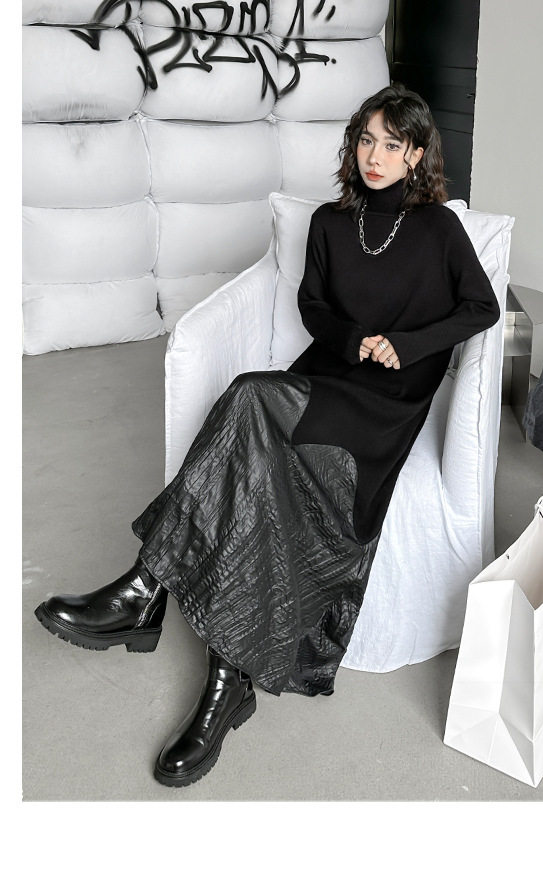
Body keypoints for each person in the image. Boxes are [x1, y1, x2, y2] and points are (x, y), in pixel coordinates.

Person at [34, 83, 501, 788]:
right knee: (256, 457)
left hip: (385, 405)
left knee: (250, 396)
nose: (375, 155)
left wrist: (406, 346)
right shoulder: (330, 224)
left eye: (392, 144)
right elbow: (314, 307)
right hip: (326, 377)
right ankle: (226, 683)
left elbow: (481, 307)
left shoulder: (437, 227)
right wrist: (353, 337)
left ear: (415, 154)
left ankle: (145, 588)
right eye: (366, 140)